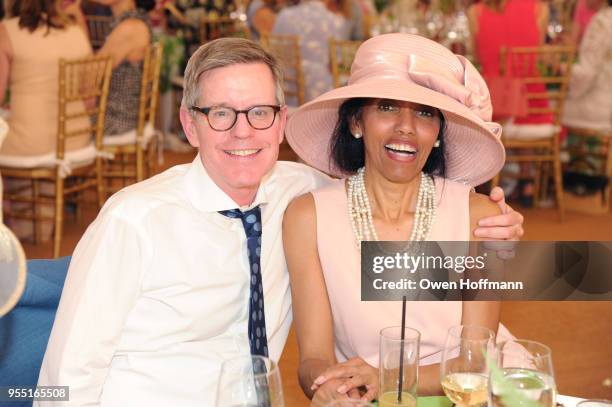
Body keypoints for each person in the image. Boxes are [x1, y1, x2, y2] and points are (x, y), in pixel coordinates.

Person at [37, 38, 523, 406]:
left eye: (260, 112)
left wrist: (502, 245)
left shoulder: (298, 191)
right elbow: (63, 377)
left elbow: (403, 272)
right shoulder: (134, 220)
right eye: (221, 113)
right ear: (189, 124)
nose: (243, 131)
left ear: (280, 121)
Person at [282, 33, 519, 405]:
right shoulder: (307, 217)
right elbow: (313, 357)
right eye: (387, 107)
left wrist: (385, 376)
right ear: (356, 122)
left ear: (438, 133)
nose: (406, 126)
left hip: (468, 396)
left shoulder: (480, 218)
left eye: (425, 113)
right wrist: (327, 384)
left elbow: (476, 363)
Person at [91, 0, 155, 136]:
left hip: (117, 119)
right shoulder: (130, 21)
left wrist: (76, 15)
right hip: (114, 113)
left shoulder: (131, 27)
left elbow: (92, 74)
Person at [562, 0, 611, 133]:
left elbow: (586, 73)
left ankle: (559, 153)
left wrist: (562, 69)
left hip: (600, 107)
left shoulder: (602, 22)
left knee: (552, 109)